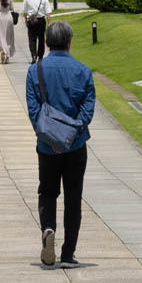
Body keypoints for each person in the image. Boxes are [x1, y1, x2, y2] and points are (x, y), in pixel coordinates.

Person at [26, 19, 96, 269]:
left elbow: (34, 111)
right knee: (73, 198)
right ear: (69, 42)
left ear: (46, 42)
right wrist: (69, 137)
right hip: (75, 146)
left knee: (47, 191)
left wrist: (50, 137)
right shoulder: (83, 71)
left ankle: (48, 229)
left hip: (47, 146)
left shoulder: (36, 70)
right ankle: (68, 253)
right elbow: (87, 112)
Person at [22, 0, 52, 64]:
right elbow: (48, 12)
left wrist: (25, 19)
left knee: (32, 39)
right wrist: (49, 23)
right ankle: (40, 56)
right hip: (41, 20)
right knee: (41, 39)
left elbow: (24, 10)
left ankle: (33, 55)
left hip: (31, 20)